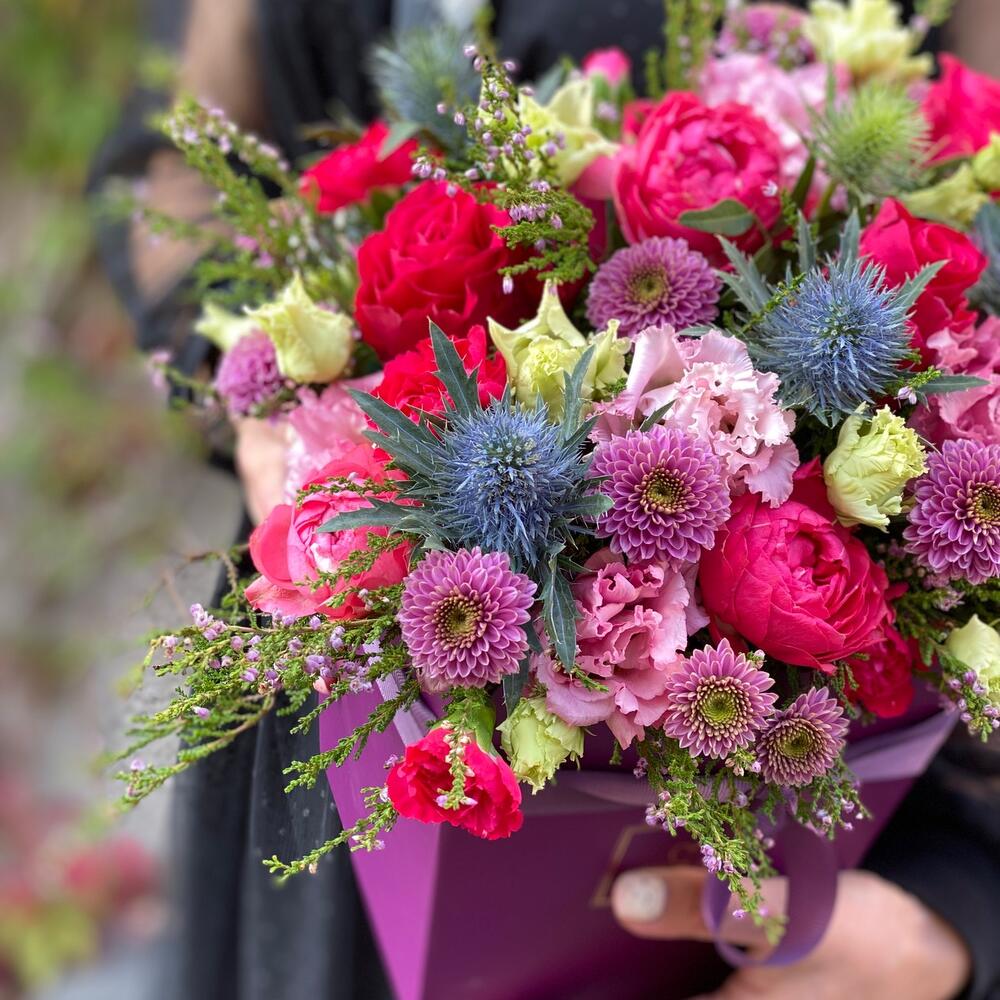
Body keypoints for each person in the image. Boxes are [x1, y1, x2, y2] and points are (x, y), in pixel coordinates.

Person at [92, 2, 1000, 998]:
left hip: (836, 833)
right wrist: (258, 391)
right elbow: (164, 157)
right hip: (350, 667)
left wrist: (957, 920)